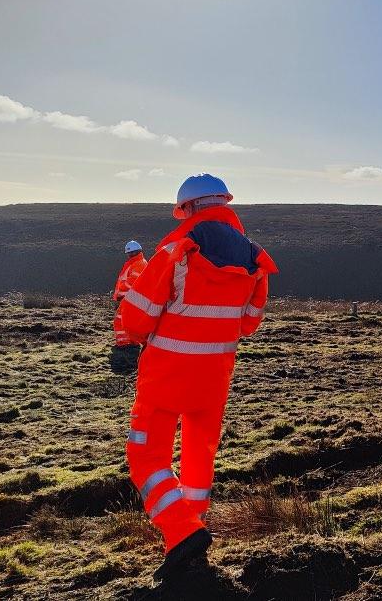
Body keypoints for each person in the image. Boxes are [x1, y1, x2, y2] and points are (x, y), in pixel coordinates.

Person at [117, 173, 277, 582]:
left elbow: (136, 319)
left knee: (145, 457)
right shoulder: (255, 259)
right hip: (214, 380)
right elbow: (250, 323)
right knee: (198, 456)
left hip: (166, 376)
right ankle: (193, 536)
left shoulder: (175, 251)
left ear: (186, 209)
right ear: (226, 204)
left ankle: (182, 532)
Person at [111, 240, 148, 373]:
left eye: (131, 252)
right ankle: (128, 343)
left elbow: (131, 283)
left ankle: (126, 344)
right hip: (129, 298)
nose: (130, 254)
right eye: (129, 253)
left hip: (129, 298)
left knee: (121, 321)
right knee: (125, 320)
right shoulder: (136, 263)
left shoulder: (138, 265)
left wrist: (122, 294)